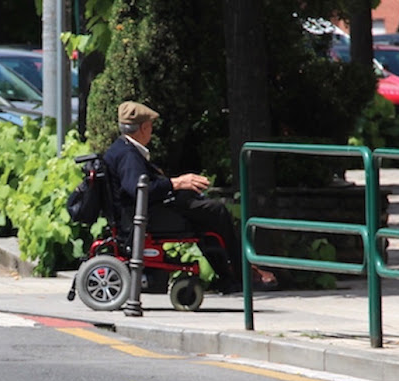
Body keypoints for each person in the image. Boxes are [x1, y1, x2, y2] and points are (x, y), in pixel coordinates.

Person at [103, 101, 277, 294]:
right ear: (143, 128)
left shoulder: (122, 148)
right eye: (150, 126)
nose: (152, 131)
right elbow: (139, 189)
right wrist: (175, 183)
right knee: (216, 211)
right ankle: (242, 274)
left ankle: (230, 275)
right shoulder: (128, 155)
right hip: (146, 216)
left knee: (205, 214)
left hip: (145, 212)